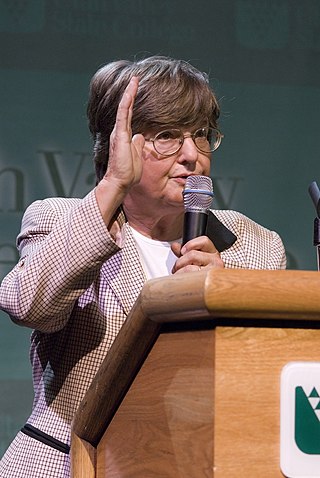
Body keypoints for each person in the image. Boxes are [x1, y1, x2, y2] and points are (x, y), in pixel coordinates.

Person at [0, 55, 286, 477]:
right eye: (168, 136)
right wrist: (114, 185)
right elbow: (30, 305)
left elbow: (269, 379)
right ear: (118, 145)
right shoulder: (62, 221)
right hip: (71, 465)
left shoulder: (256, 246)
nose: (192, 154)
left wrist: (223, 301)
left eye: (202, 135)